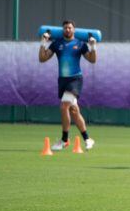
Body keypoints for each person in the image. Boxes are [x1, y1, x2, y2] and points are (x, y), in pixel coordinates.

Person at [38, 20, 97, 151]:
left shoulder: (80, 44)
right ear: (63, 30)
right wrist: (43, 43)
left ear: (74, 30)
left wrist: (93, 46)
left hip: (75, 79)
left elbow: (92, 60)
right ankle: (88, 139)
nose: (68, 30)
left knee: (64, 105)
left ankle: (64, 140)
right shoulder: (57, 43)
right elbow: (42, 59)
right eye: (65, 28)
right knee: (74, 111)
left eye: (70, 28)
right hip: (62, 80)